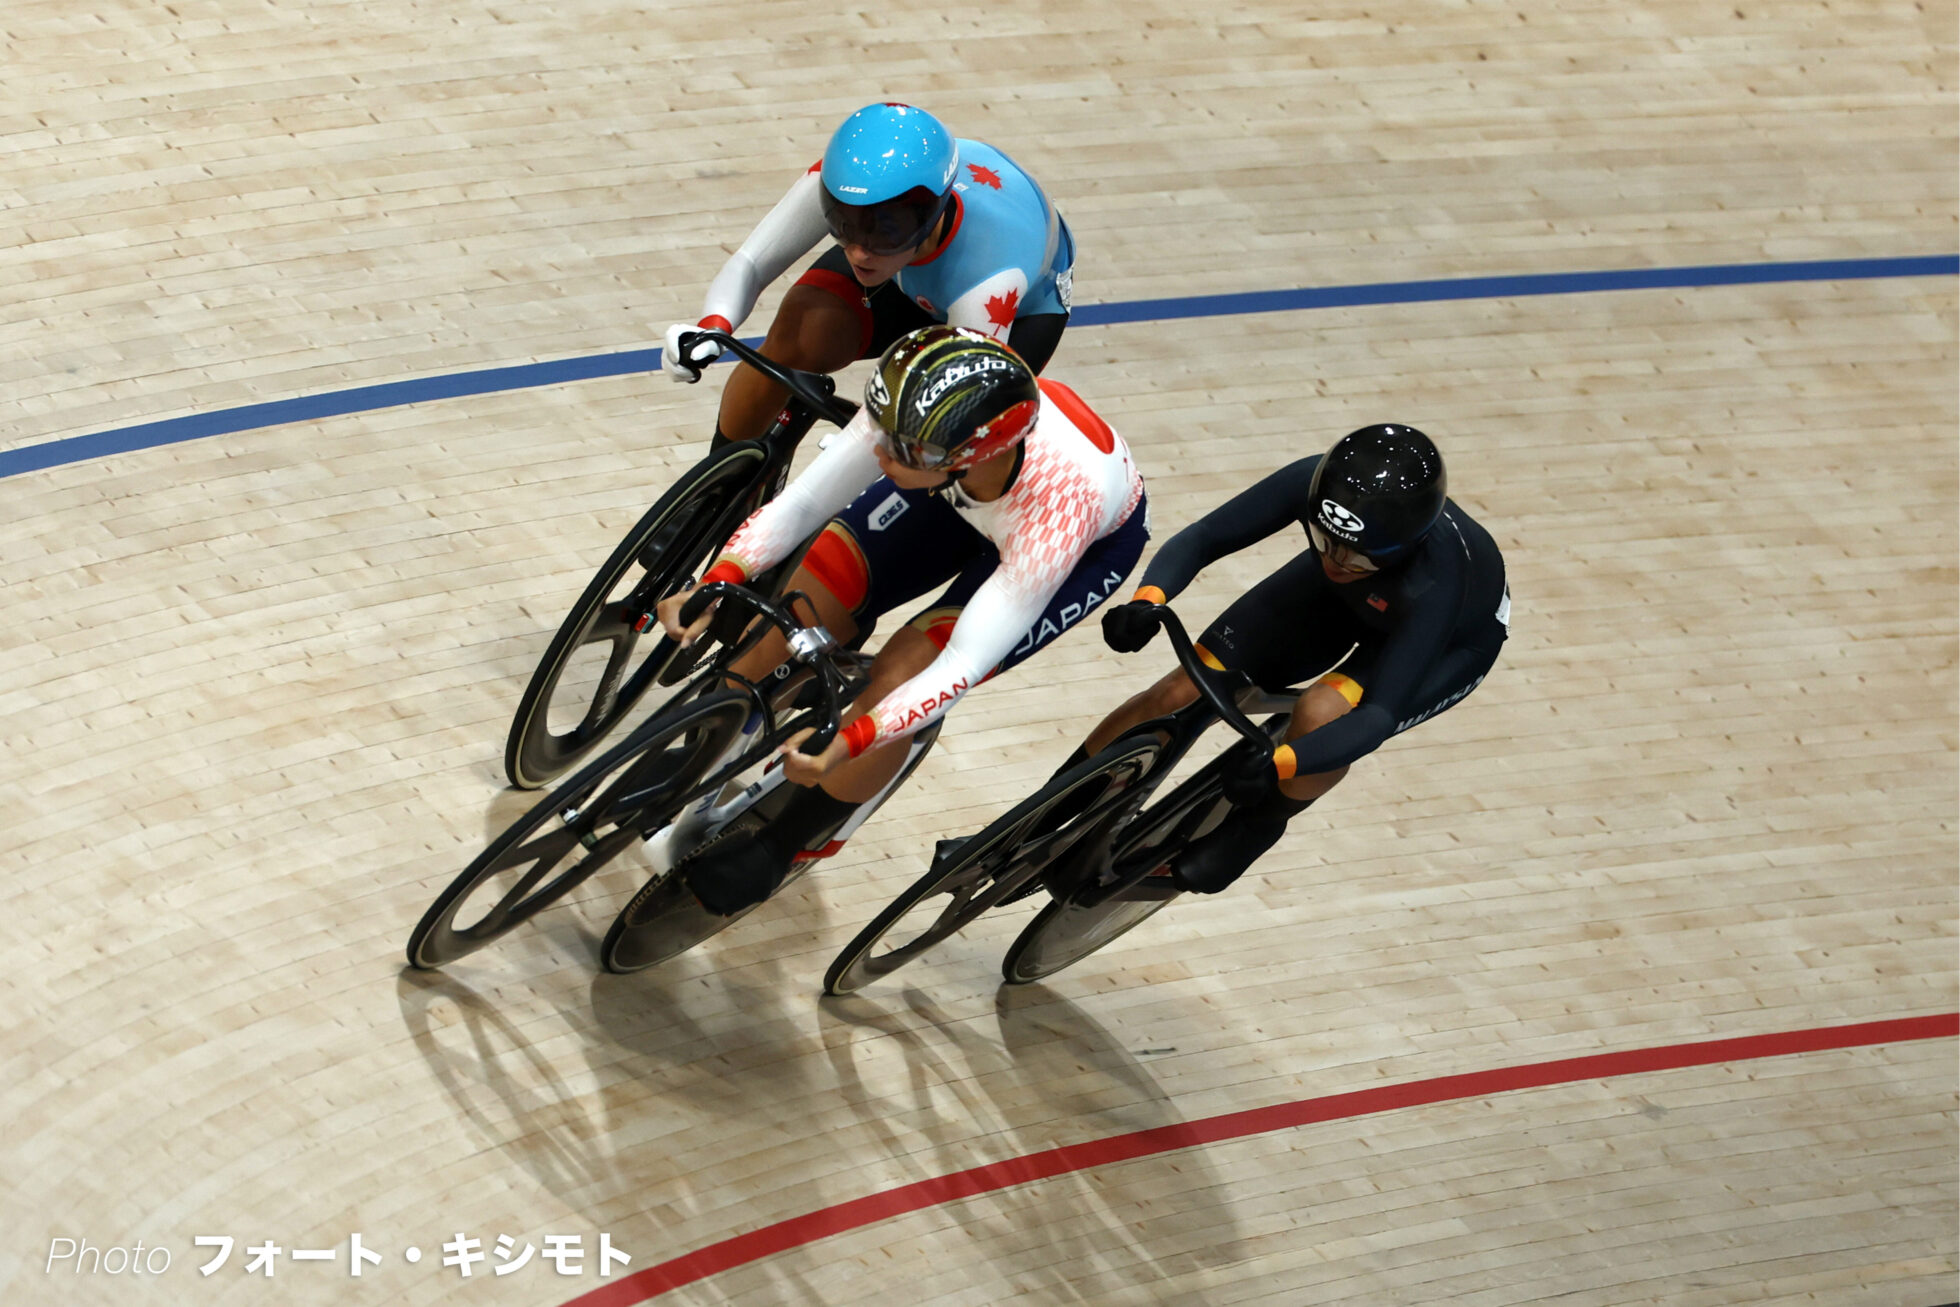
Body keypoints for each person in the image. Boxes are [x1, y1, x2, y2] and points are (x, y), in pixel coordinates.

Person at [656, 325, 1146, 915]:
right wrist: (719, 581)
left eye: (900, 448)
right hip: (949, 486)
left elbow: (963, 664)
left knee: (899, 683)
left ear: (966, 454)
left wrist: (856, 738)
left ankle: (786, 843)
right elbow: (806, 503)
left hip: (1061, 542)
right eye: (883, 432)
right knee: (798, 609)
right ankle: (694, 753)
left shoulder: (1063, 505)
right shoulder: (915, 413)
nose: (880, 452)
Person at [1080, 423, 1510, 894]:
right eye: (1324, 541)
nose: (1337, 562)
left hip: (1448, 643)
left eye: (1358, 559)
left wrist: (1278, 765)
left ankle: (1258, 826)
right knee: (1180, 690)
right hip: (1348, 601)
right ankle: (1051, 807)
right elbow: (1205, 536)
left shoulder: (1439, 579)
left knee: (1320, 712)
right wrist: (1149, 598)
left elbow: (1376, 718)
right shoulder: (1319, 492)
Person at [659, 102, 1076, 446]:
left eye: (884, 231)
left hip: (1020, 313)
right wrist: (711, 326)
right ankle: (715, 489)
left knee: (955, 448)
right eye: (844, 224)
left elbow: (949, 404)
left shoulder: (992, 271)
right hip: (909, 272)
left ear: (929, 216)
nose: (859, 251)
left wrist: (869, 446)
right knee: (795, 334)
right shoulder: (846, 182)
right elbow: (751, 262)